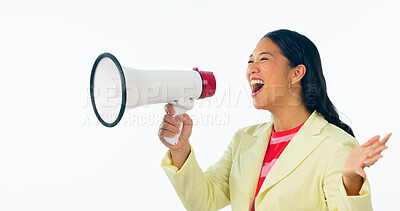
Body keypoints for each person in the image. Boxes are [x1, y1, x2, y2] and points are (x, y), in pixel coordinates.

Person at [158, 29, 391, 211]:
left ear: (296, 73)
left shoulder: (335, 144)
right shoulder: (244, 140)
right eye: (250, 62)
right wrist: (180, 150)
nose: (251, 69)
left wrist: (350, 181)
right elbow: (203, 202)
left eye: (264, 59)